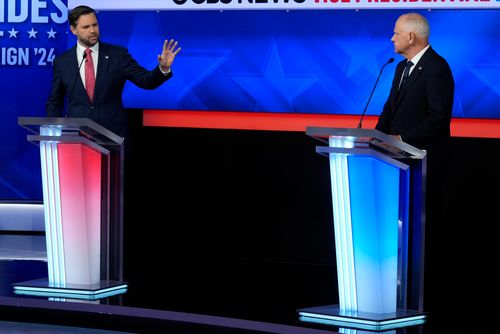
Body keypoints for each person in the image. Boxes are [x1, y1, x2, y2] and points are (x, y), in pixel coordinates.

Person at [375, 12, 454, 314]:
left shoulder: (437, 68)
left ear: (412, 37)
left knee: (424, 225)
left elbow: (437, 119)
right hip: (397, 159)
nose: (392, 38)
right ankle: (399, 284)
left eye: (396, 33)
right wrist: (375, 137)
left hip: (425, 162)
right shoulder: (400, 69)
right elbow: (389, 108)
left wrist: (400, 138)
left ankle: (426, 289)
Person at [45, 5, 181, 138]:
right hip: (77, 135)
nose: (92, 30)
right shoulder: (62, 62)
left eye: (95, 25)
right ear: (73, 30)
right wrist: (53, 130)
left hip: (111, 134)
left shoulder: (118, 55)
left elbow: (146, 81)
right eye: (86, 27)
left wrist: (163, 68)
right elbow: (55, 101)